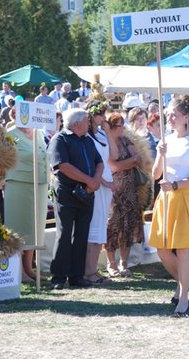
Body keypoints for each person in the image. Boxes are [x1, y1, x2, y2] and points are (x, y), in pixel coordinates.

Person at [149, 95, 189, 316]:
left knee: (183, 250)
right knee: (162, 249)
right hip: (166, 199)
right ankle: (183, 284)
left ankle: (183, 297)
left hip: (186, 196)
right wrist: (159, 154)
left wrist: (176, 184)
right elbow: (155, 174)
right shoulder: (166, 140)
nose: (169, 117)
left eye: (174, 114)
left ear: (186, 117)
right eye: (168, 113)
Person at [47, 108, 104, 289]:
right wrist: (89, 180)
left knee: (82, 234)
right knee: (64, 233)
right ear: (77, 123)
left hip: (86, 193)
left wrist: (95, 181)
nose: (90, 123)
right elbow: (63, 166)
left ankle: (76, 276)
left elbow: (99, 162)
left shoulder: (87, 140)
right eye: (87, 120)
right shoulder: (60, 139)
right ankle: (58, 276)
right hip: (67, 192)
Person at [4, 123, 48, 283]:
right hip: (18, 183)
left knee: (34, 228)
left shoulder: (38, 133)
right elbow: (4, 159)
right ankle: (18, 271)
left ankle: (29, 268)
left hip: (40, 184)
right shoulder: (10, 133)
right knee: (19, 226)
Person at [104, 112, 145, 277]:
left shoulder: (126, 141)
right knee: (112, 227)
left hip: (129, 191)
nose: (123, 128)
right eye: (119, 125)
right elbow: (113, 167)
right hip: (113, 191)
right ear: (112, 127)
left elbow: (139, 159)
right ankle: (111, 263)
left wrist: (123, 164)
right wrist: (129, 162)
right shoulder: (106, 143)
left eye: (123, 125)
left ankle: (124, 263)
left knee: (128, 227)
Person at [84, 101, 116, 284]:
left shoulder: (103, 134)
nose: (103, 117)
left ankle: (93, 270)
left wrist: (109, 132)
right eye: (100, 113)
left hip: (106, 185)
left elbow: (114, 155)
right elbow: (91, 164)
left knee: (101, 228)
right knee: (93, 228)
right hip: (97, 184)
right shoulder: (86, 137)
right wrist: (103, 182)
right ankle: (88, 271)